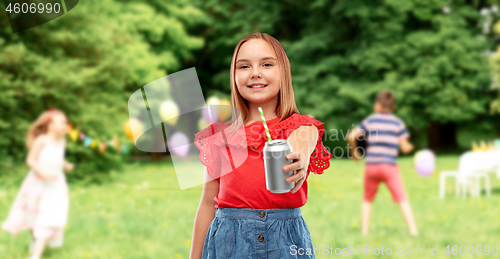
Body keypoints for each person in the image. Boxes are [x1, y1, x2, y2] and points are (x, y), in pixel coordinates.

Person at [189, 32, 333, 259]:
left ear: (283, 72)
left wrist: (300, 155)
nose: (255, 73)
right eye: (244, 66)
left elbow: (305, 135)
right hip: (229, 245)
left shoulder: (298, 127)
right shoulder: (221, 137)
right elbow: (207, 204)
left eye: (266, 64)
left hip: (285, 245)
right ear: (234, 75)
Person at [2, 108, 74, 259]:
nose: (65, 125)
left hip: (55, 185)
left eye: (66, 122)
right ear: (50, 124)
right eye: (61, 122)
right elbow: (30, 160)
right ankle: (35, 243)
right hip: (38, 183)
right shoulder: (42, 140)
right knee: (35, 216)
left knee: (49, 216)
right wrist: (43, 173)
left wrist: (65, 165)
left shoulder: (62, 141)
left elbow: (57, 159)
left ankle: (35, 255)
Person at [347, 90, 418, 236]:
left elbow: (351, 136)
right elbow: (405, 148)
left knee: (367, 199)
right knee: (402, 198)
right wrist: (411, 146)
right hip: (389, 167)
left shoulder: (370, 121)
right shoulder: (398, 123)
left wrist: (356, 152)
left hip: (372, 166)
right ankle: (413, 231)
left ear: (378, 105)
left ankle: (364, 232)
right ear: (393, 107)